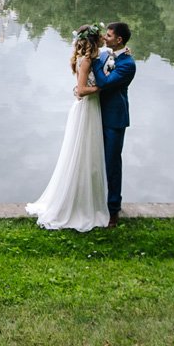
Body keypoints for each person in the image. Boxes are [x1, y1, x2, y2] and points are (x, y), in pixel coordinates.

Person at [25, 23, 110, 231]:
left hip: (90, 109)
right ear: (93, 40)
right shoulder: (86, 61)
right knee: (82, 155)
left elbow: (109, 52)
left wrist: (124, 51)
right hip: (86, 109)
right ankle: (78, 204)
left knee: (89, 156)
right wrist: (102, 87)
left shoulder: (94, 57)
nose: (104, 39)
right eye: (101, 36)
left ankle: (86, 200)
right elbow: (81, 90)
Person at [95, 21, 135, 227]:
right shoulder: (104, 55)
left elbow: (104, 83)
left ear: (119, 40)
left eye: (108, 36)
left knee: (112, 164)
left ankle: (113, 210)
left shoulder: (128, 64)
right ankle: (93, 202)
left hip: (114, 119)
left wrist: (91, 62)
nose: (104, 37)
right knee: (93, 160)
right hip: (94, 115)